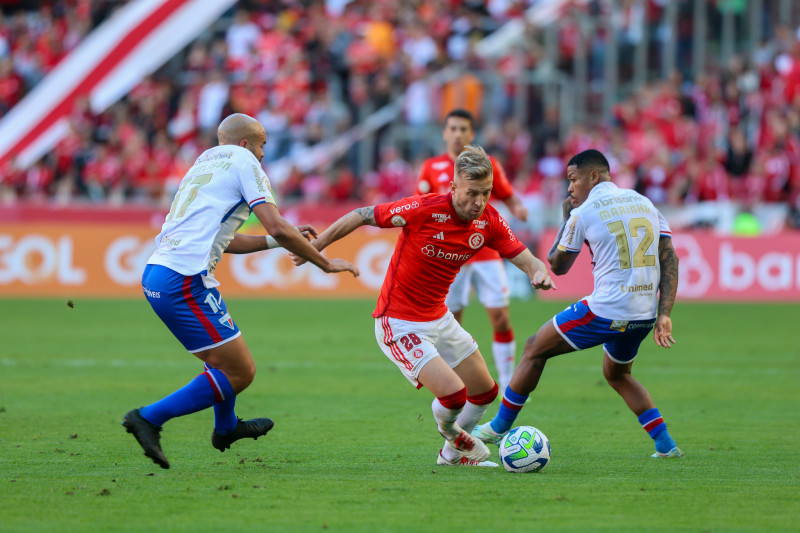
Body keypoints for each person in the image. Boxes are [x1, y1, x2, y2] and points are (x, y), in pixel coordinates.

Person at [122, 113, 359, 469]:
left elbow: (226, 239)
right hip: (184, 280)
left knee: (222, 361)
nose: (264, 154)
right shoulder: (244, 160)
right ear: (246, 144)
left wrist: (277, 241)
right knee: (240, 372)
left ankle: (227, 427)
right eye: (262, 144)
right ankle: (148, 417)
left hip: (160, 272)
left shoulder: (205, 162)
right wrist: (324, 262)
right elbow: (277, 225)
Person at [297, 145, 555, 467]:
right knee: (454, 396)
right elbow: (361, 214)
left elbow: (521, 254)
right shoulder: (424, 209)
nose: (479, 202)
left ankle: (451, 457)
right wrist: (317, 246)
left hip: (438, 317)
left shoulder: (487, 220)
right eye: (472, 193)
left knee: (485, 392)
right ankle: (450, 431)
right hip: (398, 321)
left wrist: (537, 271)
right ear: (453, 187)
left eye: (486, 193)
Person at [473, 149, 684, 458]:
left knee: (534, 348)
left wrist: (565, 220)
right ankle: (666, 445)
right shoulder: (645, 203)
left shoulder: (583, 212)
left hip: (606, 310)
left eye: (573, 179)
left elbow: (557, 265)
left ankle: (499, 426)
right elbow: (670, 258)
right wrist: (664, 312)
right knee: (617, 374)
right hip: (643, 314)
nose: (570, 188)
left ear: (593, 176)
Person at [416, 109, 529, 392]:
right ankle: (458, 385)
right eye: (452, 129)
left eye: (463, 129)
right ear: (444, 133)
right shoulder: (430, 167)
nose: (457, 134)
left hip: (484, 251)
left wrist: (517, 207)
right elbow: (420, 209)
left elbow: (505, 192)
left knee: (501, 317)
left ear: (471, 134)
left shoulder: (488, 165)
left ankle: (507, 384)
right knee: (451, 323)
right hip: (450, 258)